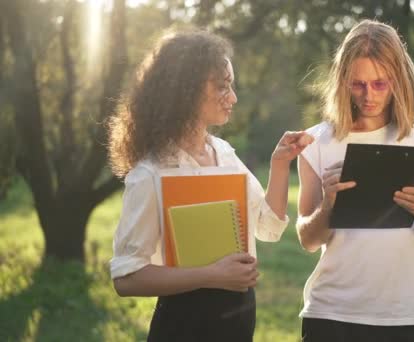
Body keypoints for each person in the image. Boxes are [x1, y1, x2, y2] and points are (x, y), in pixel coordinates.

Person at [107, 29, 313, 342]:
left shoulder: (225, 154)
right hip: (185, 326)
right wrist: (213, 275)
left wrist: (280, 164)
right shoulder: (151, 174)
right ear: (184, 91)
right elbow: (127, 278)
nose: (233, 98)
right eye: (222, 87)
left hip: (238, 321)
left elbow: (268, 226)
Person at [296, 19, 414, 342]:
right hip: (331, 315)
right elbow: (308, 240)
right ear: (342, 81)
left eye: (380, 83)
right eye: (358, 84)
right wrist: (327, 207)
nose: (369, 96)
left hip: (405, 316)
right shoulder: (317, 143)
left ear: (400, 79)